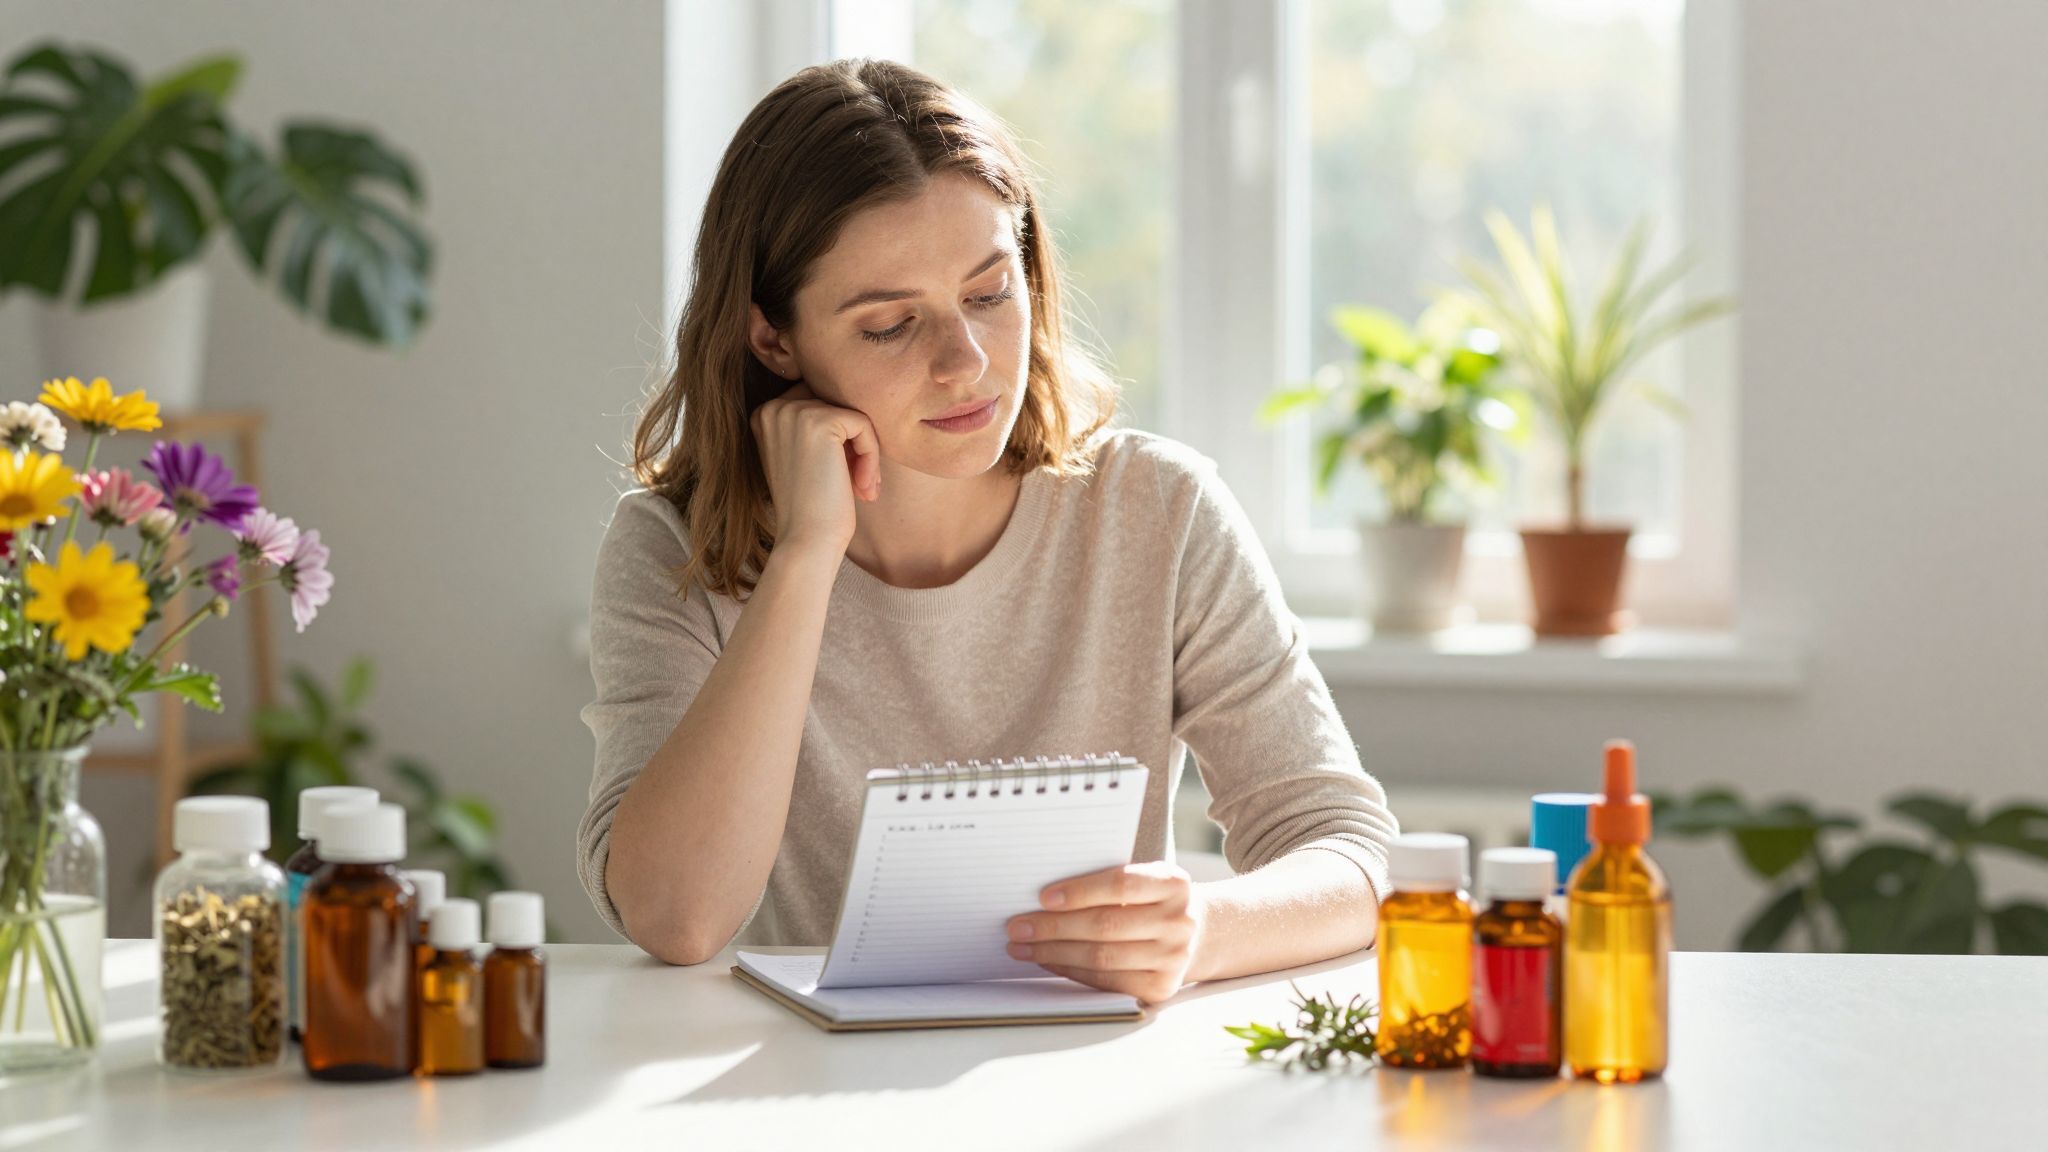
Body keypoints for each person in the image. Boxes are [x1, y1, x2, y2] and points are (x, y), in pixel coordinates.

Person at [578, 58, 1397, 1004]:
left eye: (988, 293)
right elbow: (678, 920)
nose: (965, 363)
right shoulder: (670, 552)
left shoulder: (1159, 511)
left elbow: (1347, 850)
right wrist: (805, 557)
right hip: (798, 1097)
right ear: (773, 340)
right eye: (890, 325)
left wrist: (1201, 930)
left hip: (1089, 1087)